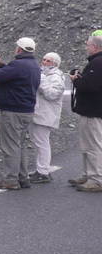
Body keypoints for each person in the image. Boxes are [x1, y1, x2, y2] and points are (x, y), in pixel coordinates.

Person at [0, 37, 41, 190]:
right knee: (21, 145)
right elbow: (14, 75)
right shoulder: (34, 65)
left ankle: (11, 179)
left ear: (19, 49)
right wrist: (2, 65)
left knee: (10, 146)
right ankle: (22, 177)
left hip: (13, 111)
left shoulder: (18, 64)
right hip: (27, 111)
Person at [68, 34, 102, 192]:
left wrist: (76, 80)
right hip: (93, 110)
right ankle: (88, 174)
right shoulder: (96, 63)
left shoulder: (97, 62)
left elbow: (90, 86)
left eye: (88, 45)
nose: (86, 47)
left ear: (95, 47)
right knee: (87, 145)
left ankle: (95, 179)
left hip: (92, 111)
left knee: (93, 146)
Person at [28, 52, 65, 183]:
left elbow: (53, 94)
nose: (44, 62)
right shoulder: (45, 74)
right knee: (39, 142)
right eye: (43, 59)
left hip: (46, 114)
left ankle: (43, 172)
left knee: (42, 143)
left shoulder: (55, 77)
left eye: (48, 61)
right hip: (40, 113)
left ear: (55, 63)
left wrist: (42, 81)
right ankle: (41, 169)